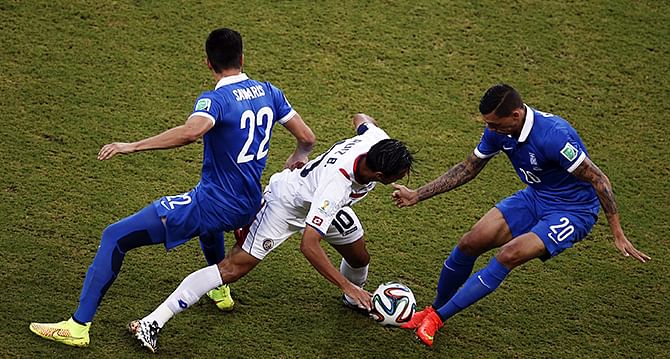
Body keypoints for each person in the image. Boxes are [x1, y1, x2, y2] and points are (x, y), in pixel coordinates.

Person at [28, 28, 316, 348]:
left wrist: (132, 146)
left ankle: (78, 326)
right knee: (209, 227)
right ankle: (219, 288)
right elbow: (307, 138)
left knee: (115, 236)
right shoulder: (270, 92)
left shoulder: (216, 100)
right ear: (242, 58)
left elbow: (191, 133)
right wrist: (298, 155)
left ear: (208, 63)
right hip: (249, 203)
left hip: (215, 203)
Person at [126, 113, 413, 353]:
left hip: (322, 205)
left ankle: (354, 301)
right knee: (233, 268)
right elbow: (309, 246)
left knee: (359, 257)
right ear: (380, 176)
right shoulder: (335, 186)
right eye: (400, 176)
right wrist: (345, 284)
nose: (403, 177)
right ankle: (151, 322)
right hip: (285, 206)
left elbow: (361, 118)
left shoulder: (376, 141)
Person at [392, 84, 650, 347]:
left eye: (495, 124)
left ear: (516, 115)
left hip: (573, 211)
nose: (490, 130)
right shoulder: (498, 131)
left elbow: (599, 180)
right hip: (536, 196)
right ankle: (433, 308)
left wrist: (617, 233)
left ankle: (437, 318)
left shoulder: (554, 136)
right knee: (470, 242)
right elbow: (468, 169)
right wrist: (417, 194)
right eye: (488, 124)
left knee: (509, 254)